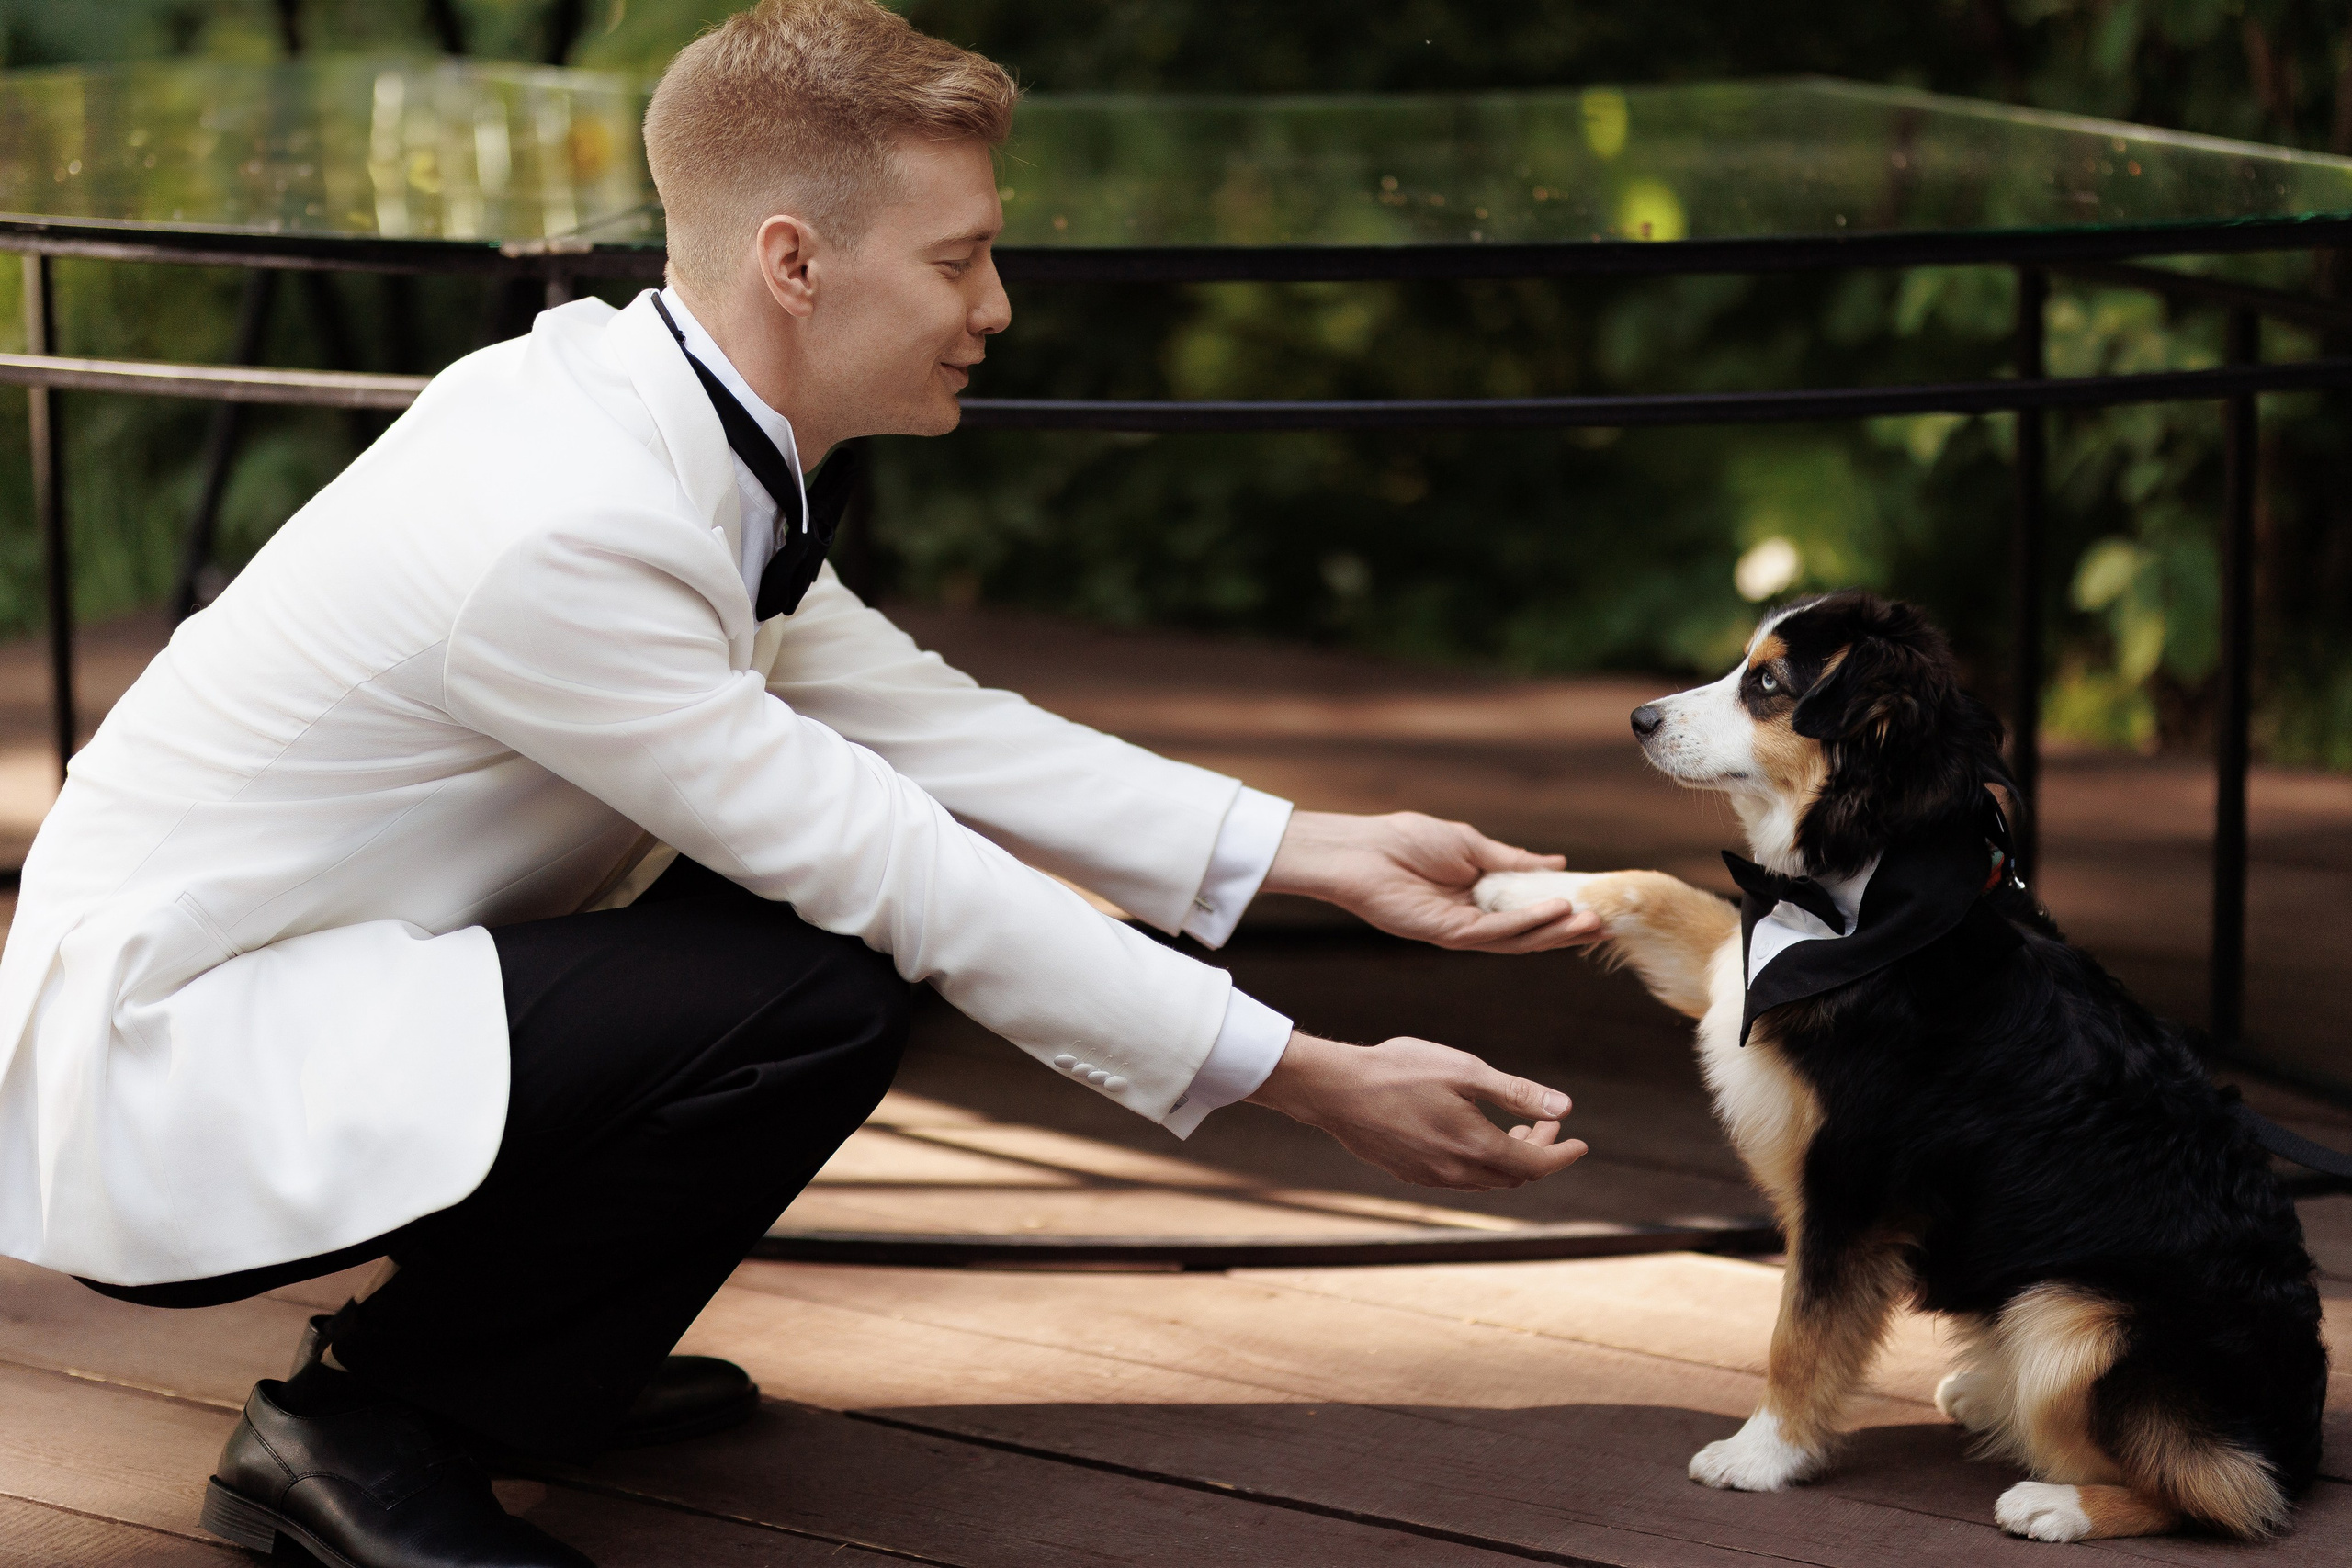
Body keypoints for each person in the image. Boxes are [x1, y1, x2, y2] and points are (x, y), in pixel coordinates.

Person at [0, 4, 1599, 1563]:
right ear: (795, 260)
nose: (998, 307)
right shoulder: (573, 526)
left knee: (804, 936)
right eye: (959, 258)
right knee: (817, 984)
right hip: (172, 1061)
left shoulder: (656, 420)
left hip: (313, 972)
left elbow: (922, 723)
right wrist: (1304, 1074)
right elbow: (895, 859)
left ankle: (517, 1350)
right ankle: (371, 1427)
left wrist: (1312, 850)